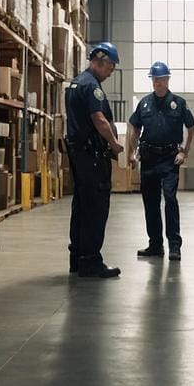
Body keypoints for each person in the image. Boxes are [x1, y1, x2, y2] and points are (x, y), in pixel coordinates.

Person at [64, 42, 124, 278]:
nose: (111, 71)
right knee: (96, 207)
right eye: (111, 66)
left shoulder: (76, 83)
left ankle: (77, 257)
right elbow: (99, 119)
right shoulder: (92, 86)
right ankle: (90, 260)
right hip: (92, 157)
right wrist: (113, 143)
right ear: (101, 60)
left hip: (79, 154)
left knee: (81, 205)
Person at [127, 61, 194, 261]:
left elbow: (191, 129)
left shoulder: (179, 103)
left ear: (168, 80)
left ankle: (174, 246)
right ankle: (155, 245)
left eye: (162, 79)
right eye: (155, 79)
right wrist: (132, 152)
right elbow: (133, 126)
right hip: (148, 159)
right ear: (152, 81)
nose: (159, 82)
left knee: (170, 200)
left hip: (169, 159)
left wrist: (184, 152)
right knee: (150, 203)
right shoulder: (145, 103)